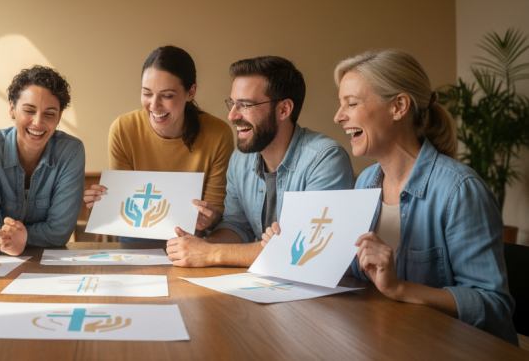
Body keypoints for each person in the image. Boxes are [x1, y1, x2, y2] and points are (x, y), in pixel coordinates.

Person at [264, 49, 517, 344]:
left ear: (398, 107)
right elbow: (356, 274)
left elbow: (494, 306)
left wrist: (399, 289)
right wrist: (289, 255)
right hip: (388, 341)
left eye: (352, 103)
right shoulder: (365, 184)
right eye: (340, 104)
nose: (338, 117)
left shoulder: (460, 191)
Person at [167, 56, 355, 267]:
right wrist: (200, 245)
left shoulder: (325, 160)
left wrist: (210, 253)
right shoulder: (240, 159)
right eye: (232, 103)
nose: (232, 116)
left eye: (245, 105)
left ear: (284, 109)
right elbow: (237, 227)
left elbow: (303, 252)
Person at [84, 45, 235, 242]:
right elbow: (125, 209)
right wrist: (106, 202)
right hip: (136, 237)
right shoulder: (123, 129)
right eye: (147, 93)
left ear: (191, 93)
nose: (154, 105)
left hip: (193, 239)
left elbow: (216, 212)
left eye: (167, 96)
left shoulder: (218, 133)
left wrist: (210, 217)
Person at [0, 66, 85, 255]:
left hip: (46, 256)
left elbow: (59, 232)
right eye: (29, 110)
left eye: (49, 114)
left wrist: (21, 238)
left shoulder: (71, 152)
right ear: (12, 108)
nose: (38, 122)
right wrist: (5, 243)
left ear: (59, 117)